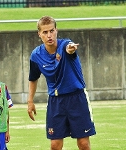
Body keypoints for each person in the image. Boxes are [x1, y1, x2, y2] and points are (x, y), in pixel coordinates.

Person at [27, 16, 96, 150]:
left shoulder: (65, 44)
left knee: (83, 144)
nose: (49, 35)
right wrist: (30, 101)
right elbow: (33, 78)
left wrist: (71, 49)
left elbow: (69, 48)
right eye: (45, 32)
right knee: (55, 145)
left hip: (77, 98)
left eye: (51, 31)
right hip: (56, 102)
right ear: (39, 34)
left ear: (56, 31)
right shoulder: (36, 55)